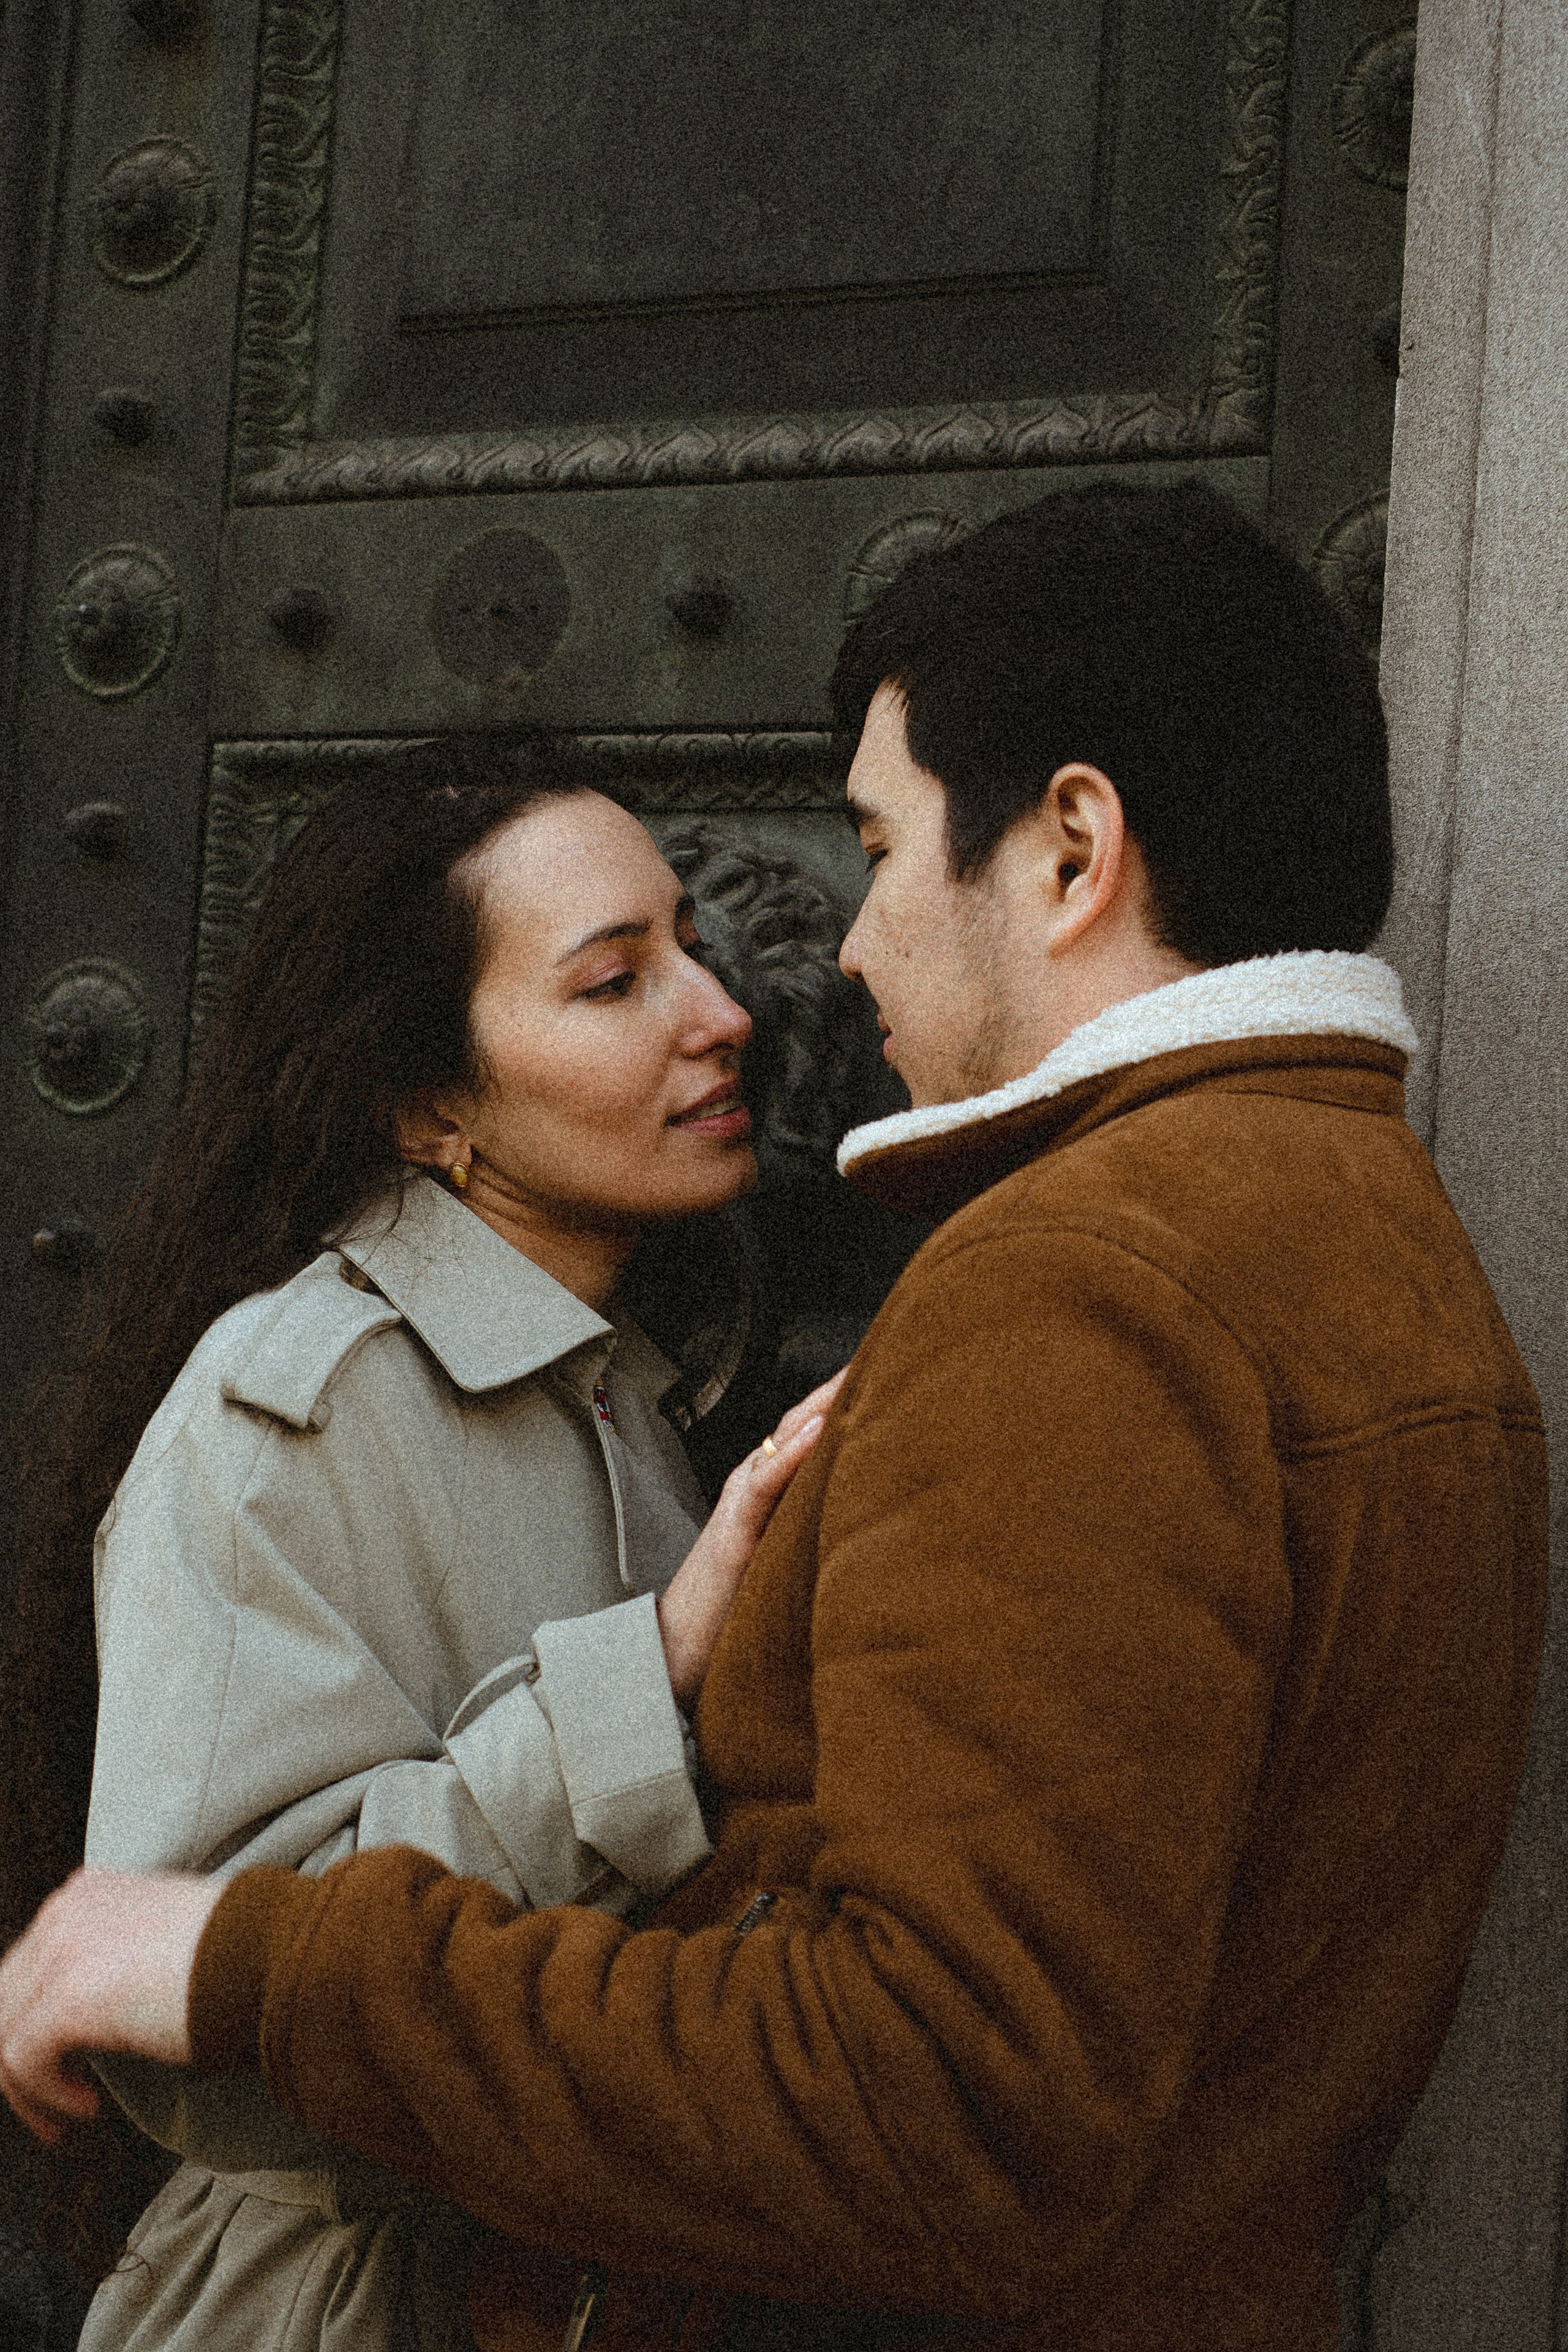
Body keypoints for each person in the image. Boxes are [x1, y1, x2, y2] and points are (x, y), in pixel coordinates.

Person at [0, 483, 1548, 2352]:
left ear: (1072, 849)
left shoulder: (1086, 1282)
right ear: (431, 1098)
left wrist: (273, 1957)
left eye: (882, 850)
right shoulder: (1368, 1246)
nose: (831, 964)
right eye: (614, 975)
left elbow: (933, 2097)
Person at [0, 736, 840, 2352]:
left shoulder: (624, 1392)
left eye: (690, 947)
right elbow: (202, 2002)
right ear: (432, 1107)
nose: (720, 1011)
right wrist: (651, 1670)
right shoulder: (285, 1409)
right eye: (615, 984)